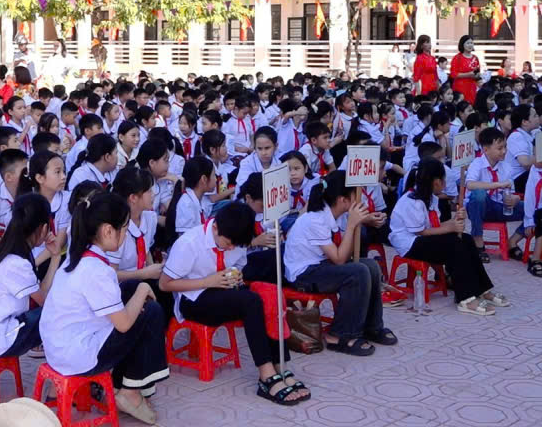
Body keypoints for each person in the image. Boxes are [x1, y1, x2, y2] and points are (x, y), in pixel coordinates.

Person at [39, 191, 169, 424]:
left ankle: (126, 384)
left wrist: (137, 292)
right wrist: (142, 290)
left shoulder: (79, 256)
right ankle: (130, 392)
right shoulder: (96, 270)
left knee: (130, 290)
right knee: (150, 312)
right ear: (108, 231)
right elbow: (124, 324)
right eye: (125, 228)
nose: (126, 234)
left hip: (59, 347)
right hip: (77, 356)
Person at [161, 201, 309, 406]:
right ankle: (266, 374)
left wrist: (237, 276)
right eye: (228, 243)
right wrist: (207, 281)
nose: (231, 248)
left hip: (222, 291)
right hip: (193, 298)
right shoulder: (189, 243)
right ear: (215, 227)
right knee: (251, 302)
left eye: (235, 245)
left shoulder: (236, 240)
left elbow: (238, 266)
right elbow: (165, 284)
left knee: (270, 295)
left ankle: (281, 366)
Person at [283, 171, 393, 356]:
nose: (360, 200)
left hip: (322, 264)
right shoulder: (315, 219)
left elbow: (342, 254)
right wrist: (351, 225)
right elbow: (339, 259)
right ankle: (340, 334)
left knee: (371, 267)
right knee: (357, 272)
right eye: (356, 195)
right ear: (343, 200)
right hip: (304, 273)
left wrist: (359, 222)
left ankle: (372, 326)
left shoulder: (337, 214)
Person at [389, 158, 505, 315]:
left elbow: (435, 226)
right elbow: (421, 232)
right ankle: (465, 297)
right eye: (444, 180)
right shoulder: (412, 201)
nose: (445, 184)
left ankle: (481, 289)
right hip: (409, 244)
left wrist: (455, 219)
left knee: (466, 239)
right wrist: (451, 227)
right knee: (454, 245)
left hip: (422, 238)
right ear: (436, 182)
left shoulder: (431, 197)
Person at [0, 192, 60, 360]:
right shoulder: (16, 263)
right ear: (44, 228)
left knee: (57, 312)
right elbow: (46, 303)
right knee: (60, 314)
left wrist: (55, 256)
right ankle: (67, 362)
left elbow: (42, 293)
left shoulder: (13, 254)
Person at [464, 127, 524, 260]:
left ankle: (512, 242)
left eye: (505, 147)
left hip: (499, 207)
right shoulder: (477, 163)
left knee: (534, 209)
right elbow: (470, 184)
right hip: (478, 208)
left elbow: (511, 192)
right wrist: (497, 185)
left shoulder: (507, 167)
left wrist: (514, 199)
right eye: (499, 148)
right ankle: (478, 241)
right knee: (479, 194)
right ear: (486, 149)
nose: (504, 151)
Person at [449, 36, 482, 104]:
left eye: (471, 43)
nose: (470, 45)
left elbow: (477, 72)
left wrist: (477, 76)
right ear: (462, 44)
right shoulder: (457, 58)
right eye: (468, 43)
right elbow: (453, 74)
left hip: (472, 87)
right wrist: (468, 74)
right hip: (460, 87)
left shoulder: (475, 58)